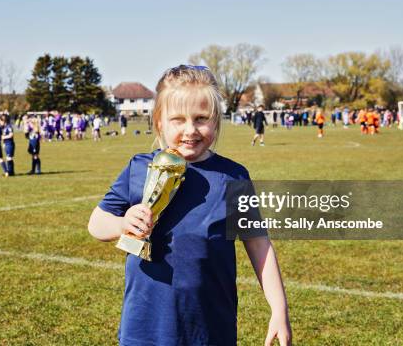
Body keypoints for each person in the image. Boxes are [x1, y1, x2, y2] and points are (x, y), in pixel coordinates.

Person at [87, 65, 291, 346]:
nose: (190, 130)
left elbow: (258, 244)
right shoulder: (139, 168)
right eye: (178, 119)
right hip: (146, 327)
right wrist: (122, 223)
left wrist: (279, 309)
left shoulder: (234, 176)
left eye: (201, 118)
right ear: (159, 122)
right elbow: (96, 223)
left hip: (209, 328)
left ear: (216, 121)